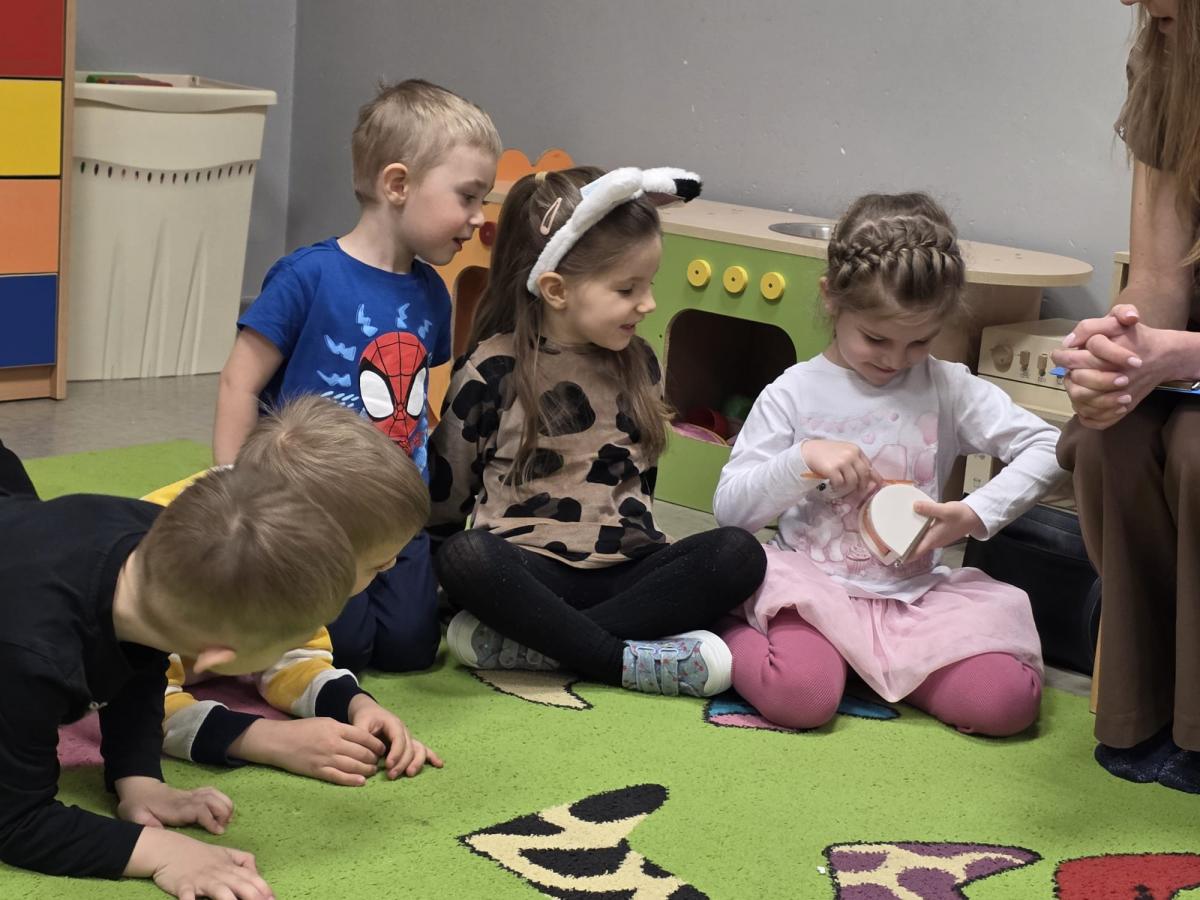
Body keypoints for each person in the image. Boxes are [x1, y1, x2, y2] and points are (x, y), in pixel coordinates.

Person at [713, 192, 1063, 735]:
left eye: (919, 341)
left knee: (1006, 702)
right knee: (803, 697)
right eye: (875, 338)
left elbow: (1047, 446)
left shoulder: (947, 386)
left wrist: (974, 513)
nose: (896, 360)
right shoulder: (794, 392)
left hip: (911, 602)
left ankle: (864, 665)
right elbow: (731, 513)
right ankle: (726, 627)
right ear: (831, 298)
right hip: (810, 593)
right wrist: (801, 460)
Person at [428, 166, 767, 698]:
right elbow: (444, 504)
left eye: (649, 284)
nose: (648, 304)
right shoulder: (491, 369)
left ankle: (547, 647)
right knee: (465, 557)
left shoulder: (641, 362)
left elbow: (641, 488)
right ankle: (617, 659)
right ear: (556, 290)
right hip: (530, 575)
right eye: (627, 289)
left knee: (740, 554)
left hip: (627, 571)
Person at [213, 78, 502, 672]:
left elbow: (417, 400)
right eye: (468, 197)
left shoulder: (433, 293)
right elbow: (239, 383)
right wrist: (234, 489)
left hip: (395, 515)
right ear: (398, 184)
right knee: (340, 650)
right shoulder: (305, 277)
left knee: (410, 651)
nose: (478, 218)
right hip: (312, 510)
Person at [0, 435, 357, 897]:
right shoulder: (34, 657)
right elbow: (17, 823)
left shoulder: (159, 550)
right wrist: (161, 852)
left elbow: (143, 653)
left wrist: (138, 778)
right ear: (216, 658)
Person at [1051, 0, 1200, 792]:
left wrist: (1180, 356)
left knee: (1198, 453)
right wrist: (1120, 350)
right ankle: (1140, 713)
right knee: (1111, 434)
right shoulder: (1168, 59)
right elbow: (1159, 281)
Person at [145, 397, 440, 786]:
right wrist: (269, 739)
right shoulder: (173, 570)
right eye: (378, 565)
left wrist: (356, 704)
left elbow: (297, 657)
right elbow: (143, 707)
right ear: (314, 561)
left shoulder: (281, 544)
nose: (390, 569)